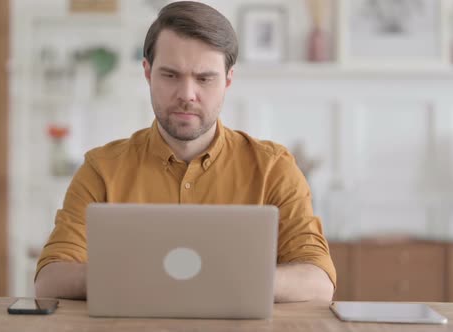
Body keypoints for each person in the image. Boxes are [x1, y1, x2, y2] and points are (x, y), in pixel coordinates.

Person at [35, 1, 335, 303]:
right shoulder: (102, 169)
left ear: (228, 79)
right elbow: (50, 281)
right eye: (170, 76)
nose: (187, 95)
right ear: (147, 72)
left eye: (204, 78)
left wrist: (216, 279)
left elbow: (319, 282)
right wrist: (154, 276)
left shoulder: (274, 168)